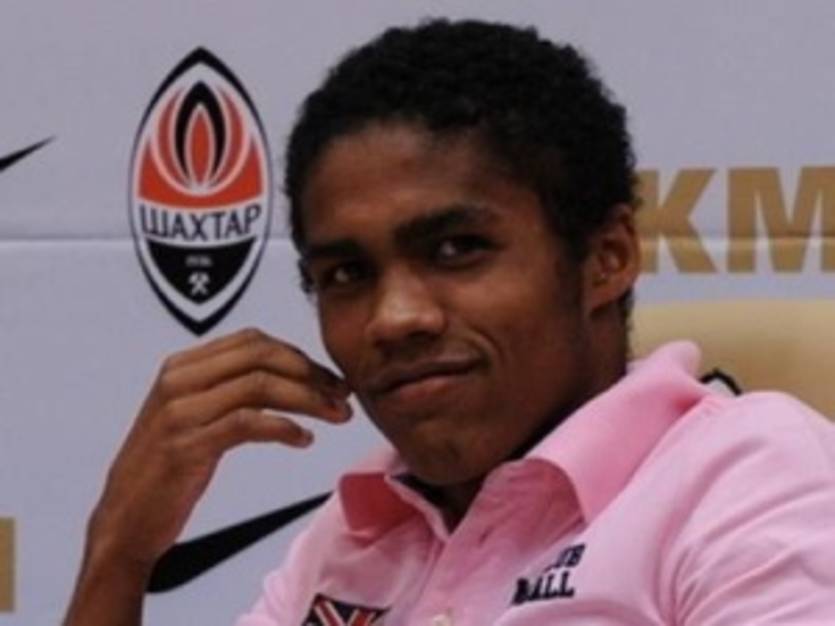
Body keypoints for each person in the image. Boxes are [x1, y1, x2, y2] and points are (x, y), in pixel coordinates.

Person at [64, 19, 835, 626]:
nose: (395, 318)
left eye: (456, 249)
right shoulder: (352, 537)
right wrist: (120, 554)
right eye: (347, 274)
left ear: (606, 258)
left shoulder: (751, 479)